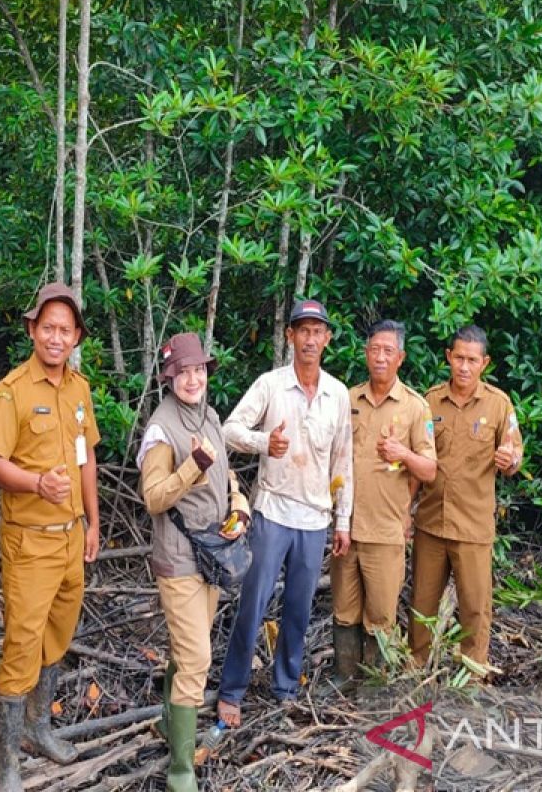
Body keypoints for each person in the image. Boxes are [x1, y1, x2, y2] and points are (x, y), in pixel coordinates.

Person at [0, 283, 101, 792]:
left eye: (65, 330)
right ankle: (6, 760)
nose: (56, 337)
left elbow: (86, 457)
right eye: (47, 327)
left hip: (72, 538)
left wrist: (94, 522)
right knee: (21, 645)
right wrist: (36, 483)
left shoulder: (79, 388)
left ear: (76, 337)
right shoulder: (10, 391)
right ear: (33, 330)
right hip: (30, 542)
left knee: (57, 636)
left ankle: (38, 728)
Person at [214, 300, 353, 727]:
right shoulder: (270, 385)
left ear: (327, 339)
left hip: (315, 518)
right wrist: (263, 444)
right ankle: (232, 691)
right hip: (272, 510)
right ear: (290, 336)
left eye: (318, 332)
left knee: (298, 609)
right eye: (303, 331)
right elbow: (228, 429)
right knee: (253, 603)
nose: (310, 339)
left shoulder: (337, 394)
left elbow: (342, 461)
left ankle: (286, 688)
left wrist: (342, 519)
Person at [137, 332, 251, 792]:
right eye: (183, 372)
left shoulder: (210, 415)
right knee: (198, 657)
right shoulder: (162, 428)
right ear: (170, 377)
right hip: (179, 558)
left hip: (212, 554)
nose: (192, 378)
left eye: (198, 370)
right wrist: (192, 467)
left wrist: (239, 505)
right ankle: (181, 770)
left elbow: (229, 476)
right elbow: (152, 497)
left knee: (188, 648)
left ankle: (169, 725)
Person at [410, 325, 523, 672]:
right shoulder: (429, 401)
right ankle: (416, 669)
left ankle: (472, 674)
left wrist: (511, 461)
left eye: (472, 360)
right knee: (422, 605)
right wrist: (403, 513)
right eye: (458, 357)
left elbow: (514, 450)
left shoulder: (499, 404)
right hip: (430, 523)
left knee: (475, 607)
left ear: (484, 363)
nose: (464, 366)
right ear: (448, 357)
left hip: (474, 527)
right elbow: (416, 460)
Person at [332, 320, 436, 682]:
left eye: (387, 351)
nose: (379, 357)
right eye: (374, 349)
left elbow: (429, 470)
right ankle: (344, 681)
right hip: (346, 529)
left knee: (380, 617)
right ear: (366, 353)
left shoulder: (415, 408)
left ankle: (375, 688)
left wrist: (402, 453)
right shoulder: (346, 399)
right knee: (344, 612)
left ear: (401, 358)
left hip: (386, 531)